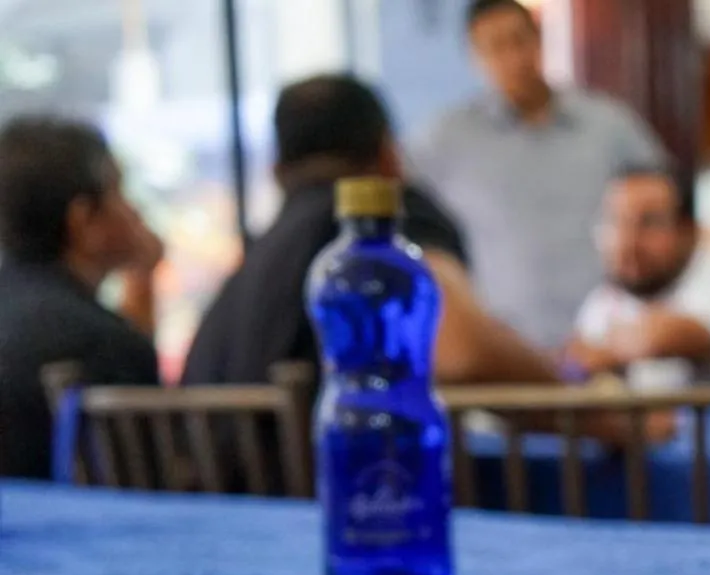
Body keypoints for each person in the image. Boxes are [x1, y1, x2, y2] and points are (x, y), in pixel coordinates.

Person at [184, 74, 561, 390]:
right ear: (388, 155)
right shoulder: (380, 220)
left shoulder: (254, 262)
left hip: (196, 480)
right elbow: (463, 352)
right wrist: (589, 409)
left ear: (278, 171)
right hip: (340, 476)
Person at [410, 0, 664, 352]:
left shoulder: (610, 127)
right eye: (495, 46)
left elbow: (666, 208)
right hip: (504, 353)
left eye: (519, 40)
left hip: (608, 344)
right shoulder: (443, 142)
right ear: (474, 55)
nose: (512, 58)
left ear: (539, 40)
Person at [0, 117, 162, 480]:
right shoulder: (104, 344)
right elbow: (151, 489)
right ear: (83, 219)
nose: (134, 211)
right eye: (119, 193)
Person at [570, 166, 710, 392]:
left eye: (648, 223)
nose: (628, 242)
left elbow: (664, 336)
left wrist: (608, 349)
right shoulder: (603, 298)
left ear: (688, 232)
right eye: (617, 222)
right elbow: (576, 357)